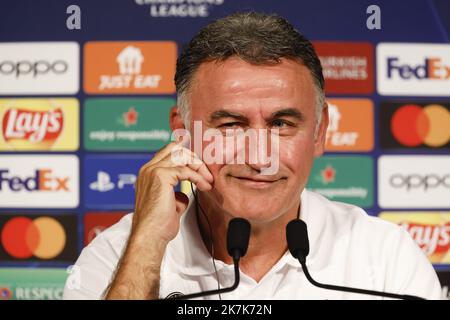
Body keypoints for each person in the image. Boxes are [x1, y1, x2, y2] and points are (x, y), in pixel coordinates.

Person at [63, 12, 441, 300]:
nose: (260, 157)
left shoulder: (387, 258)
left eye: (281, 124)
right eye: (230, 124)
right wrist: (146, 244)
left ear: (320, 131)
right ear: (183, 132)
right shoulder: (116, 256)